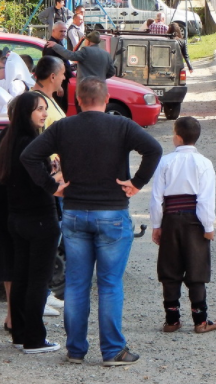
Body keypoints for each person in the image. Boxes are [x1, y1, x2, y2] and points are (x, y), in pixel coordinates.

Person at [21, 77, 163, 367]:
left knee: (75, 284)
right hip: (111, 212)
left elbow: (29, 155)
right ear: (107, 97)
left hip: (74, 212)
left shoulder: (63, 126)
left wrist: (51, 186)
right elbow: (154, 149)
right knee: (110, 284)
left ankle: (75, 349)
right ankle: (112, 351)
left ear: (79, 100)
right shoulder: (121, 125)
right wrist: (136, 183)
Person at [0, 91, 63, 353]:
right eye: (39, 109)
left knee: (22, 276)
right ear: (26, 112)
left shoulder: (8, 141)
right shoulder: (32, 144)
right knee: (38, 279)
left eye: (45, 108)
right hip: (38, 219)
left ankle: (20, 333)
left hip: (17, 218)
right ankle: (35, 339)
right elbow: (43, 184)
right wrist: (56, 178)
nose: (44, 114)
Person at [150, 117, 216, 334]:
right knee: (197, 268)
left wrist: (156, 225)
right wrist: (208, 227)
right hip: (194, 221)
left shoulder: (165, 161)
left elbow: (156, 197)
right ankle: (200, 320)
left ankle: (172, 320)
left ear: (177, 137)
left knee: (170, 268)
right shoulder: (204, 163)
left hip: (170, 219)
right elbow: (206, 200)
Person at [46, 31, 115, 82]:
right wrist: (100, 77)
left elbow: (71, 56)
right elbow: (111, 72)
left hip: (85, 88)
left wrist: (55, 46)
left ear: (88, 41)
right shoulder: (106, 54)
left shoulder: (85, 50)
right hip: (100, 89)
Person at [43, 21, 72, 111]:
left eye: (64, 31)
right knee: (59, 109)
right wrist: (58, 86)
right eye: (61, 31)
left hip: (61, 82)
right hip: (56, 84)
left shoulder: (58, 43)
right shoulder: (51, 46)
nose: (63, 34)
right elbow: (50, 68)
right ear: (53, 31)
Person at [30, 57, 67, 127]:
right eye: (63, 74)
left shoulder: (44, 97)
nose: (64, 78)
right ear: (53, 77)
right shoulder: (37, 103)